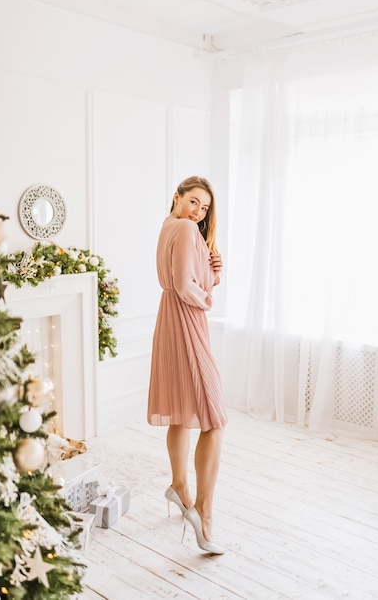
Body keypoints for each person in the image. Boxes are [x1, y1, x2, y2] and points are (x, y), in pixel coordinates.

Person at [147, 175, 227, 555]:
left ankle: (180, 486)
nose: (198, 211)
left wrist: (214, 270)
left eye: (205, 207)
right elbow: (186, 285)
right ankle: (204, 512)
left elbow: (187, 280)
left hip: (169, 321)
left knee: (181, 412)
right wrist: (210, 290)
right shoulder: (184, 227)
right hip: (187, 321)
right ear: (176, 198)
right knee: (214, 419)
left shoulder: (169, 227)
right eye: (193, 201)